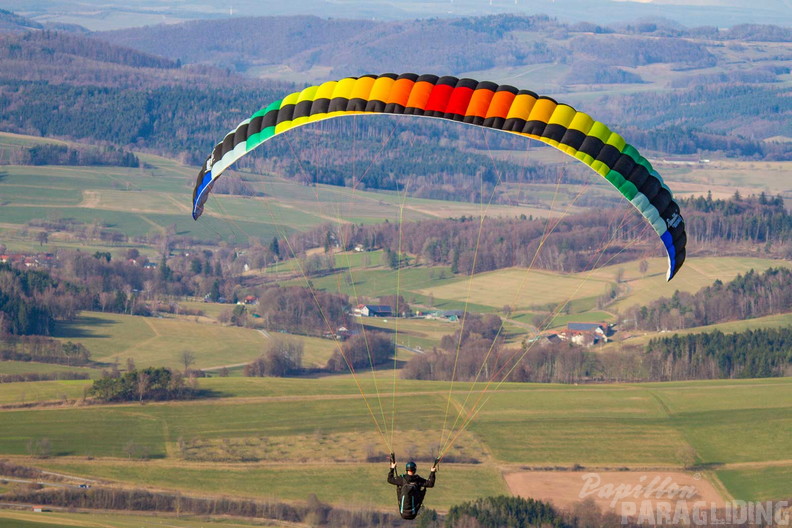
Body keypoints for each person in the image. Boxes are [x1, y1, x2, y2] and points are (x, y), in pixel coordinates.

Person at [387, 453, 437, 520]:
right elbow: (430, 484)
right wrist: (432, 472)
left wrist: (392, 468)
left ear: (406, 470)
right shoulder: (418, 480)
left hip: (403, 513)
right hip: (412, 514)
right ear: (415, 470)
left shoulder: (402, 479)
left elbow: (390, 479)